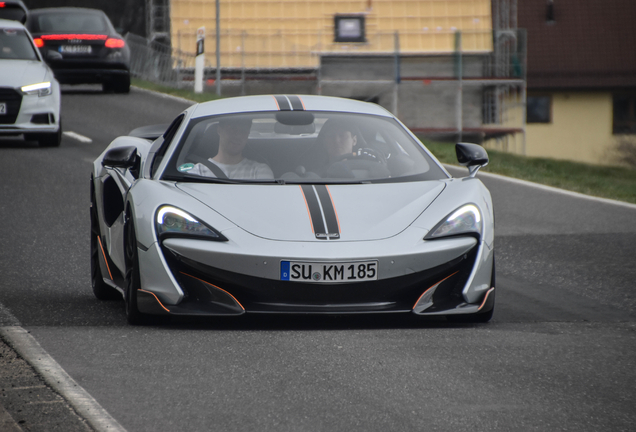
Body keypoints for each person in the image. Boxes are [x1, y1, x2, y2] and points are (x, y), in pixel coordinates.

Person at [189, 117, 274, 179]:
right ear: (219, 130)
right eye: (233, 129)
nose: (238, 136)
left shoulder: (259, 171)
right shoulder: (197, 172)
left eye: (243, 131)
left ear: (248, 134)